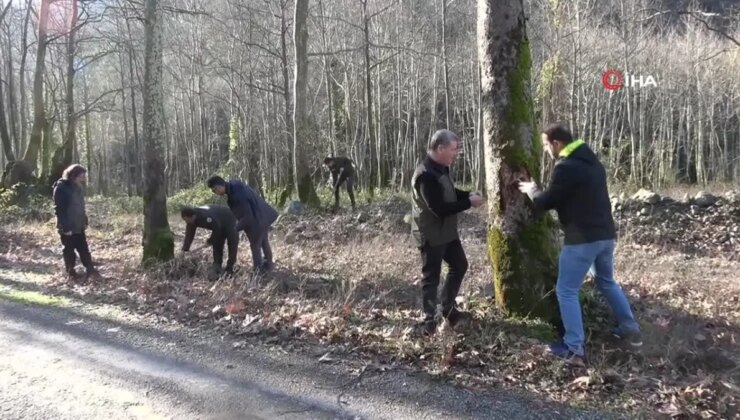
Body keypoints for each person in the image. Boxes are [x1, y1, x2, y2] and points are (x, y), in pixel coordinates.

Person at [518, 123, 641, 366]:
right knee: (606, 281)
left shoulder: (566, 167)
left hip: (582, 240)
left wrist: (532, 189)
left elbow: (547, 201)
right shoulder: (592, 162)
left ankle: (574, 349)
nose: (545, 150)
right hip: (606, 236)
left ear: (556, 143)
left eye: (545, 145)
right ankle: (629, 327)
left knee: (566, 290)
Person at [410, 129, 484, 336]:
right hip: (431, 234)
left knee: (459, 264)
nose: (456, 153)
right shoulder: (425, 175)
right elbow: (439, 208)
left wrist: (467, 194)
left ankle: (448, 308)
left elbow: (449, 194)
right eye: (453, 149)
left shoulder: (442, 168)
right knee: (431, 276)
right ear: (440, 148)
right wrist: (469, 203)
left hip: (447, 232)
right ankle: (429, 321)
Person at [207, 176, 278, 273]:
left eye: (215, 189)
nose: (215, 192)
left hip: (257, 219)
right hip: (262, 214)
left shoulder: (236, 195)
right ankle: (268, 265)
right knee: (263, 240)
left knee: (255, 245)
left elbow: (247, 217)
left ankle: (259, 272)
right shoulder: (234, 185)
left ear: (220, 186)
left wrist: (235, 228)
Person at [52, 164, 99, 281]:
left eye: (83, 177)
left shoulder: (78, 187)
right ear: (73, 175)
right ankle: (70, 272)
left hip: (78, 223)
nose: (82, 179)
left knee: (83, 247)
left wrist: (84, 219)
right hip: (67, 224)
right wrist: (65, 227)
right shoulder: (61, 187)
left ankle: (90, 270)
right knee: (69, 249)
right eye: (81, 177)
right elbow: (59, 209)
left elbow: (80, 205)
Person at [181, 205, 239, 276]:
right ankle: (217, 265)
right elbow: (189, 235)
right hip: (218, 222)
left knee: (232, 243)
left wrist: (210, 241)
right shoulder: (191, 221)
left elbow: (217, 227)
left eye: (186, 220)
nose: (186, 222)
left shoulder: (205, 216)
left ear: (192, 216)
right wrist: (185, 249)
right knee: (217, 244)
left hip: (229, 220)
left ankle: (230, 268)